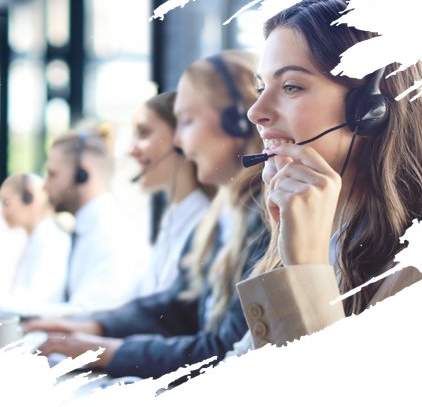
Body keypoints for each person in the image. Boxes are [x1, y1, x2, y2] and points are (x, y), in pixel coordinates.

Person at [218, 0, 422, 361]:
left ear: (371, 108)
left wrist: (305, 265)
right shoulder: (331, 220)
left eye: (291, 86)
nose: (256, 112)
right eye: (261, 87)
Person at [22, 50, 270, 380]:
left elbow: (221, 347)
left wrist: (104, 350)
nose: (180, 140)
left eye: (188, 121)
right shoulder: (222, 218)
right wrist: (93, 328)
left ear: (236, 122)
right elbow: (180, 306)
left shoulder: (265, 220)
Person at [37, 123, 151, 316]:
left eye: (52, 174)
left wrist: (8, 310)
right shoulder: (86, 231)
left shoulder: (114, 236)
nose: (45, 186)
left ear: (83, 174)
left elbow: (86, 317)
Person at [128, 91, 216, 297]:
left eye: (144, 133)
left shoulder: (206, 225)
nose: (132, 150)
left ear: (181, 140)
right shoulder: (171, 219)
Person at [0, 173, 71, 315]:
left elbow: (40, 301)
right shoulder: (35, 239)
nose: (3, 212)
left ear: (30, 199)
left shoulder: (52, 240)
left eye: (6, 202)